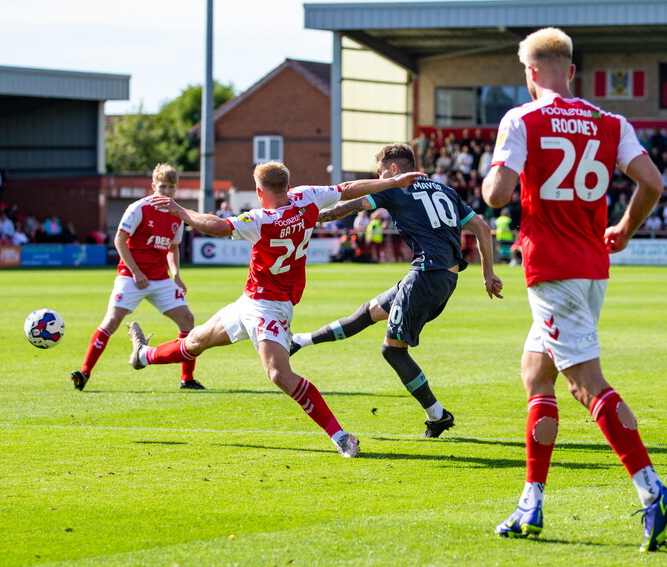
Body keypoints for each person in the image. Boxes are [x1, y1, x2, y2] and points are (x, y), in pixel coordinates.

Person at [481, 27, 667, 552]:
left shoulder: (521, 119)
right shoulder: (609, 121)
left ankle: (651, 489)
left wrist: (494, 172)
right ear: (571, 71)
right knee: (536, 373)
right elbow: (654, 183)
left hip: (552, 269)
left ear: (529, 73)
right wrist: (624, 229)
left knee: (585, 383)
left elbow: (498, 195)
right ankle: (531, 502)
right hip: (591, 266)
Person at [127, 161, 426, 458]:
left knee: (279, 374)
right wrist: (394, 180)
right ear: (286, 184)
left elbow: (218, 226)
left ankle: (341, 437)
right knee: (195, 341)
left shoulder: (262, 219)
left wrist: (180, 211)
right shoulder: (306, 197)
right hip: (250, 301)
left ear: (260, 191)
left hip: (271, 306)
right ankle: (142, 355)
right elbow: (347, 189)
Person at [289, 143, 503, 437]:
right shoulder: (446, 190)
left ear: (393, 168)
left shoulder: (395, 187)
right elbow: (481, 227)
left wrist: (302, 218)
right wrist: (488, 274)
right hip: (443, 278)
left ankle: (437, 415)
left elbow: (344, 208)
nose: (379, 178)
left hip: (425, 275)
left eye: (380, 173)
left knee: (393, 351)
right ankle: (299, 341)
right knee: (368, 312)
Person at [71, 164, 202, 391]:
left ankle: (187, 379)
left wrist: (177, 276)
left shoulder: (176, 214)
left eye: (171, 187)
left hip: (160, 279)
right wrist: (136, 272)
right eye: (162, 186)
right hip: (131, 277)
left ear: (176, 189)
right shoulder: (138, 208)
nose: (167, 191)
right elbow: (119, 241)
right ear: (153, 186)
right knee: (111, 322)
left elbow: (172, 248)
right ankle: (84, 372)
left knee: (187, 320)